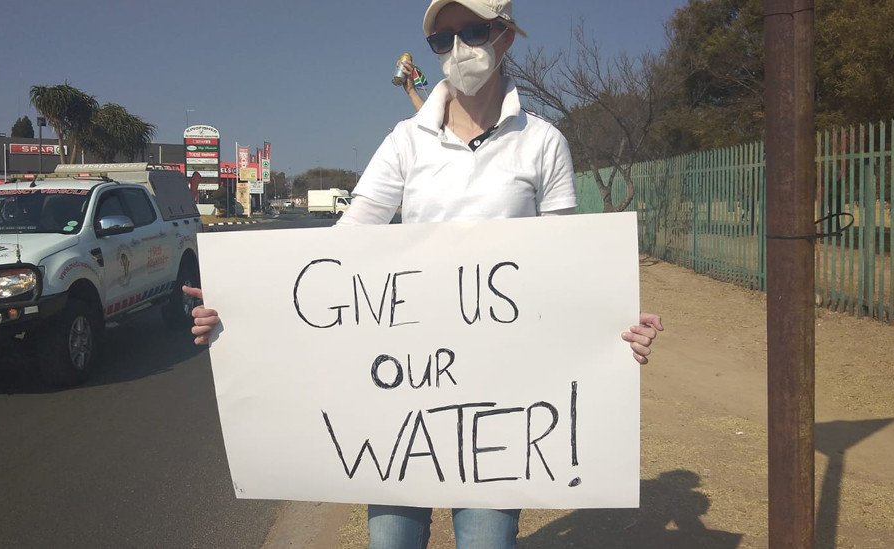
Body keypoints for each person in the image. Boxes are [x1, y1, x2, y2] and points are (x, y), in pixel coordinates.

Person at [185, 0, 663, 547]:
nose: (458, 48)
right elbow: (338, 250)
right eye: (444, 38)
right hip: (401, 406)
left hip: (501, 401)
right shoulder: (405, 142)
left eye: (474, 31)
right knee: (392, 541)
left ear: (505, 37)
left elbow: (565, 267)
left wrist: (616, 325)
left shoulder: (543, 143)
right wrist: (243, 302)